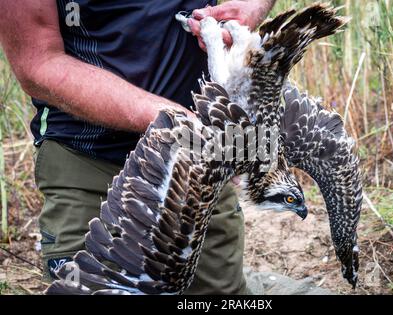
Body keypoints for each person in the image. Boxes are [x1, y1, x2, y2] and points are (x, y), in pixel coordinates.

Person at [0, 0, 275, 294]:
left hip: (193, 159)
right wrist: (172, 119)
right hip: (88, 159)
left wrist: (250, 6)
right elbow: (38, 62)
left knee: (219, 293)